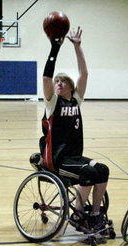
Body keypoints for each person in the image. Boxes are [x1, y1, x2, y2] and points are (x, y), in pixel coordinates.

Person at [40, 27, 109, 232]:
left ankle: (95, 213)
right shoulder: (52, 103)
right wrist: (55, 48)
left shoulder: (76, 101)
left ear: (71, 87)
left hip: (74, 157)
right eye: (57, 81)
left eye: (63, 81)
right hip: (57, 159)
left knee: (103, 170)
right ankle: (78, 216)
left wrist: (78, 47)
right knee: (88, 172)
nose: (58, 83)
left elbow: (84, 74)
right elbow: (46, 79)